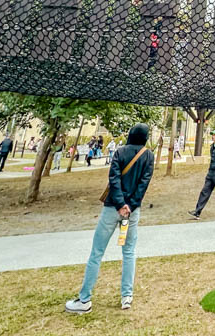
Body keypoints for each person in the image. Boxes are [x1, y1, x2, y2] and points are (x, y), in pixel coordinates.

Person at [65, 123, 155, 314]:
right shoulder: (148, 155)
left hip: (112, 208)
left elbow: (114, 179)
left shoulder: (120, 152)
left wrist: (120, 203)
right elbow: (143, 183)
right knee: (129, 252)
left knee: (97, 252)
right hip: (132, 211)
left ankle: (85, 299)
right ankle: (126, 296)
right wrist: (130, 205)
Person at [188, 129, 215, 219]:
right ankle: (197, 211)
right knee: (205, 191)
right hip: (211, 173)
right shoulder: (213, 146)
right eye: (212, 135)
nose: (213, 136)